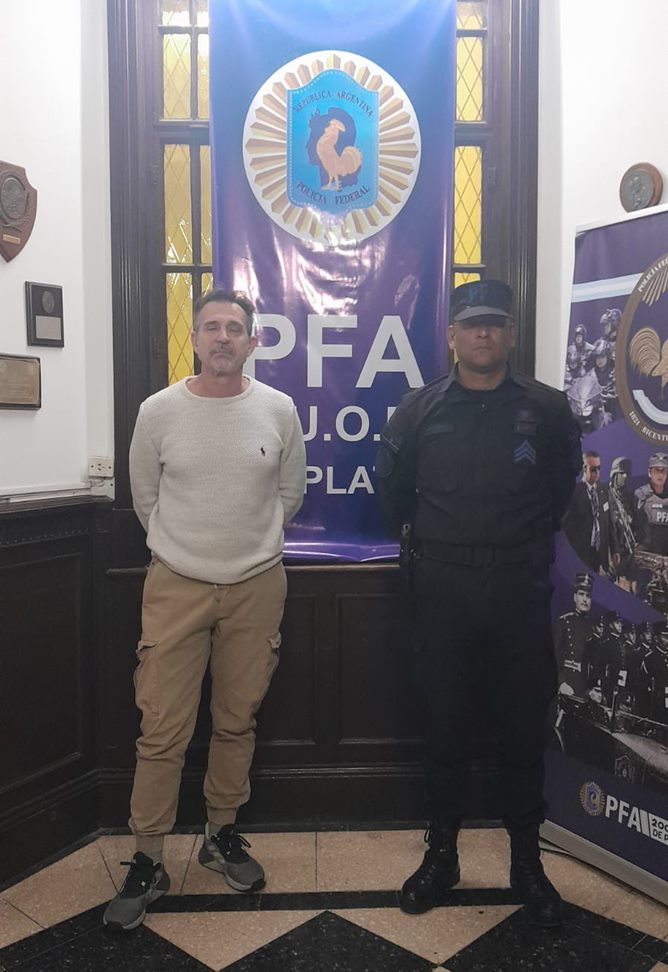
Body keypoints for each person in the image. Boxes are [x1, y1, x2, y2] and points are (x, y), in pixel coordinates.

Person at [376, 279, 581, 928]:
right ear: (452, 336)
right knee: (445, 728)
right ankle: (442, 857)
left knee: (522, 729)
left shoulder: (547, 409)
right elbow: (393, 494)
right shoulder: (418, 409)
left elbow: (562, 488)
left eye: (494, 323)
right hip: (443, 589)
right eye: (471, 324)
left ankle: (527, 862)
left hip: (520, 589)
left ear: (511, 333)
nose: (483, 333)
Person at [103, 288, 307, 931]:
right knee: (162, 726)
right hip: (176, 585)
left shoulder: (277, 409)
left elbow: (290, 494)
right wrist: (188, 551)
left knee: (237, 719)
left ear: (252, 341)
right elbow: (145, 498)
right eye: (211, 327)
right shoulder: (158, 411)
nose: (223, 337)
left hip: (257, 585)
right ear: (193, 339)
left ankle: (220, 837)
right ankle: (148, 858)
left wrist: (247, 549)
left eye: (234, 328)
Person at [562, 451, 617, 574]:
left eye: (599, 468)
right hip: (581, 552)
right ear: (584, 468)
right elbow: (566, 526)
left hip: (599, 553)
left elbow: (609, 522)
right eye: (593, 469)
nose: (597, 472)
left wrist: (614, 549)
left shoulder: (603, 491)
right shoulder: (574, 492)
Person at [555, 573, 595, 700]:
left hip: (582, 687)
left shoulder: (591, 629)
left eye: (588, 596)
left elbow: (590, 663)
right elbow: (554, 656)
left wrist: (591, 689)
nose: (585, 599)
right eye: (581, 594)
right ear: (574, 597)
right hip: (565, 682)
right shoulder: (564, 621)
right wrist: (561, 683)